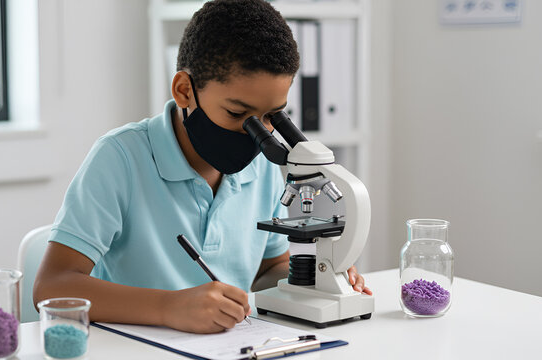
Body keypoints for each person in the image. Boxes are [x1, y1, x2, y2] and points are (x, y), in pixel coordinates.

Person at [33, 0, 371, 334]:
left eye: (271, 117)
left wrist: (316, 278)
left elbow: (269, 269)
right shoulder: (120, 158)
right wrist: (168, 307)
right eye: (238, 114)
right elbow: (52, 286)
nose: (258, 134)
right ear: (184, 91)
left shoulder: (264, 166)